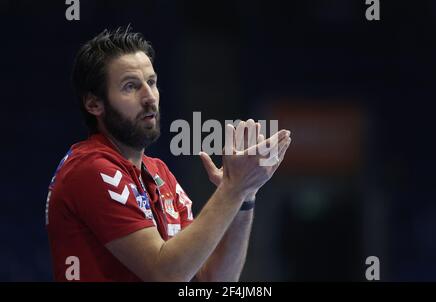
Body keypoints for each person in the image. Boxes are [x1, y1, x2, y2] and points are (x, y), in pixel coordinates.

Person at [45, 27, 291, 282]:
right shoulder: (90, 169)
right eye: (130, 87)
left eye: (151, 82)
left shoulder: (159, 173)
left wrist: (245, 195)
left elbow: (213, 282)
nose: (149, 97)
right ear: (94, 104)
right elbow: (165, 275)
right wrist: (231, 189)